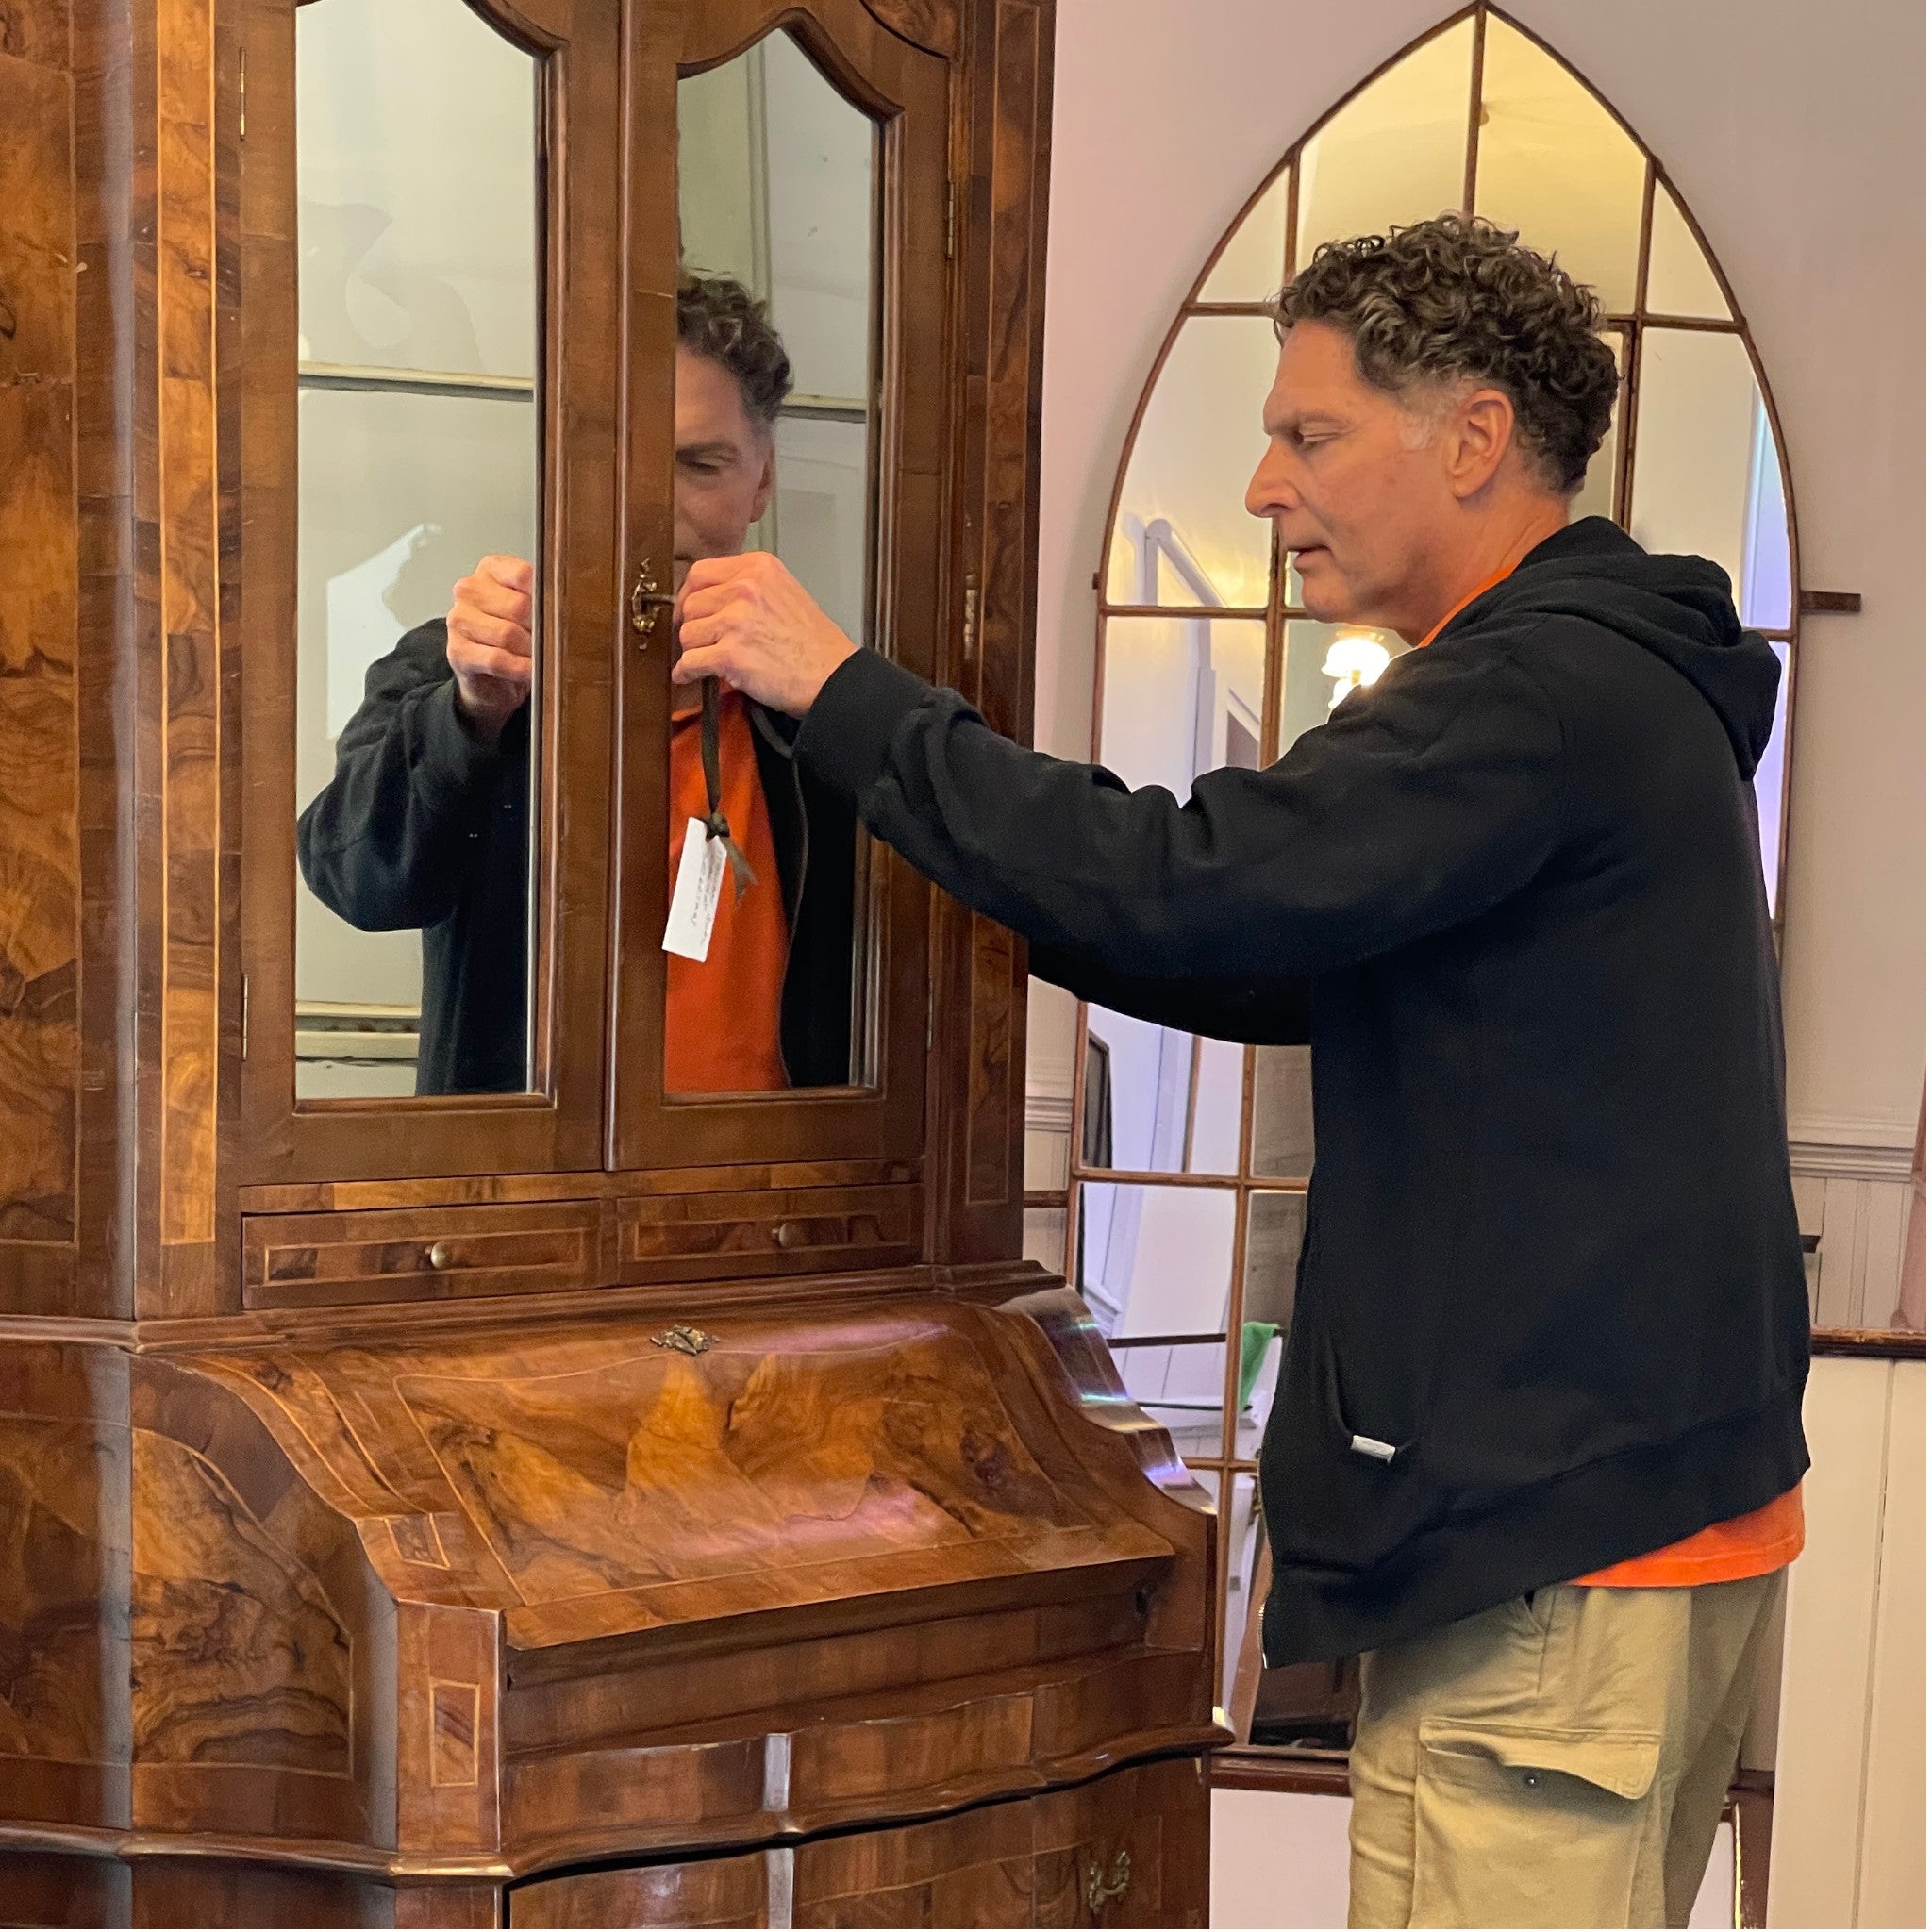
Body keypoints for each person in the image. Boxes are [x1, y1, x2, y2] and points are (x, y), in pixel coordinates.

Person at [668, 216, 1810, 1929]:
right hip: (1639, 1527)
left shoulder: (1532, 693)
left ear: (1473, 439)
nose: (1266, 486)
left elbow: (1189, 876)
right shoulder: (1610, 685)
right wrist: (971, 866)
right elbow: (1244, 945)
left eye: (1308, 433)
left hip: (1550, 1557)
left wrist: (842, 695)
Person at [298, 274, 856, 1096]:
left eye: (701, 464)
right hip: (528, 1195)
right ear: (563, 463)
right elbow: (362, 885)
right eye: (615, 463)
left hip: (770, 1191)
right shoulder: (464, 666)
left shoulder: (816, 697)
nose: (652, 507)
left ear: (763, 479)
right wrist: (469, 719)